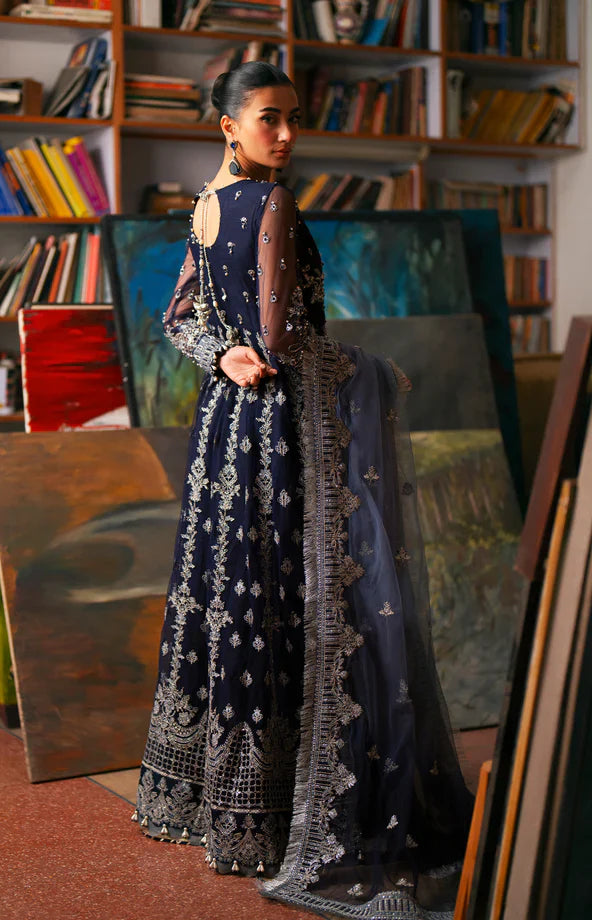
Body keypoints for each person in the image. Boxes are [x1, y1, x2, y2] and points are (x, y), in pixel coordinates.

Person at [132, 61, 474, 920]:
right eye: (268, 118)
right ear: (228, 125)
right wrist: (375, 371)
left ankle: (226, 810)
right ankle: (285, 810)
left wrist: (222, 356)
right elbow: (286, 340)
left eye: (293, 117)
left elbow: (178, 319)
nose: (286, 135)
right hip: (281, 430)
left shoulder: (205, 207)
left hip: (223, 429)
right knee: (289, 602)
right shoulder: (272, 203)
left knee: (236, 597)